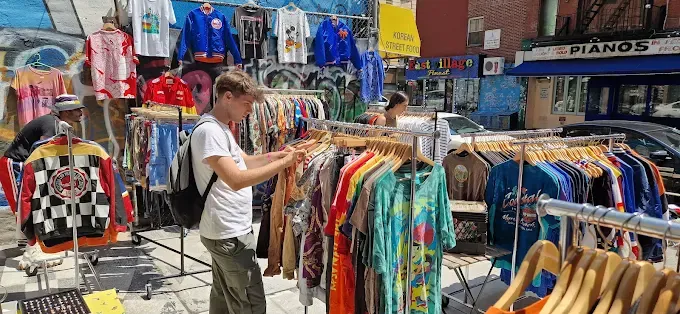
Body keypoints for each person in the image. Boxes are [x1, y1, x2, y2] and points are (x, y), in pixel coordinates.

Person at [191, 71, 305, 314]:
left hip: (227, 232)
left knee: (224, 298)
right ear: (227, 97)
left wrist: (279, 155)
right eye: (247, 104)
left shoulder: (220, 129)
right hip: (228, 235)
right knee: (250, 304)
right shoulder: (210, 132)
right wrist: (284, 165)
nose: (250, 111)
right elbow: (236, 180)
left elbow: (245, 162)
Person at [0, 94, 85, 270]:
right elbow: (44, 150)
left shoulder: (59, 124)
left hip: (26, 166)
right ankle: (32, 251)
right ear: (66, 111)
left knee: (32, 205)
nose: (81, 112)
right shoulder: (52, 125)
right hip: (14, 165)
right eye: (77, 109)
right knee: (23, 207)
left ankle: (33, 245)